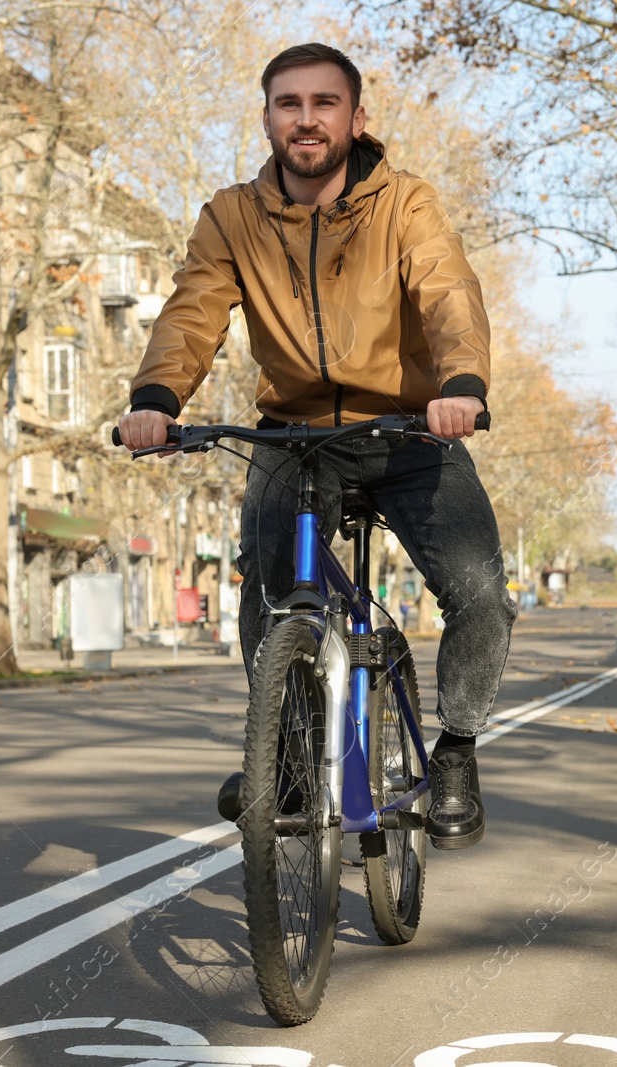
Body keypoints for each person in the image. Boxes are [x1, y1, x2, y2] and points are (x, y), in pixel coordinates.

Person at [117, 42, 515, 849]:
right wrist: (156, 399)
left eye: (323, 103)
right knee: (265, 587)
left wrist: (461, 384)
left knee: (479, 593)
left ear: (355, 118)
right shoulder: (232, 215)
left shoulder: (405, 204)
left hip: (409, 428)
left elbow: (446, 292)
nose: (306, 119)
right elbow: (193, 310)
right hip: (296, 436)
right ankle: (289, 751)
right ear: (267, 118)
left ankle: (458, 749)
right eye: (288, 103)